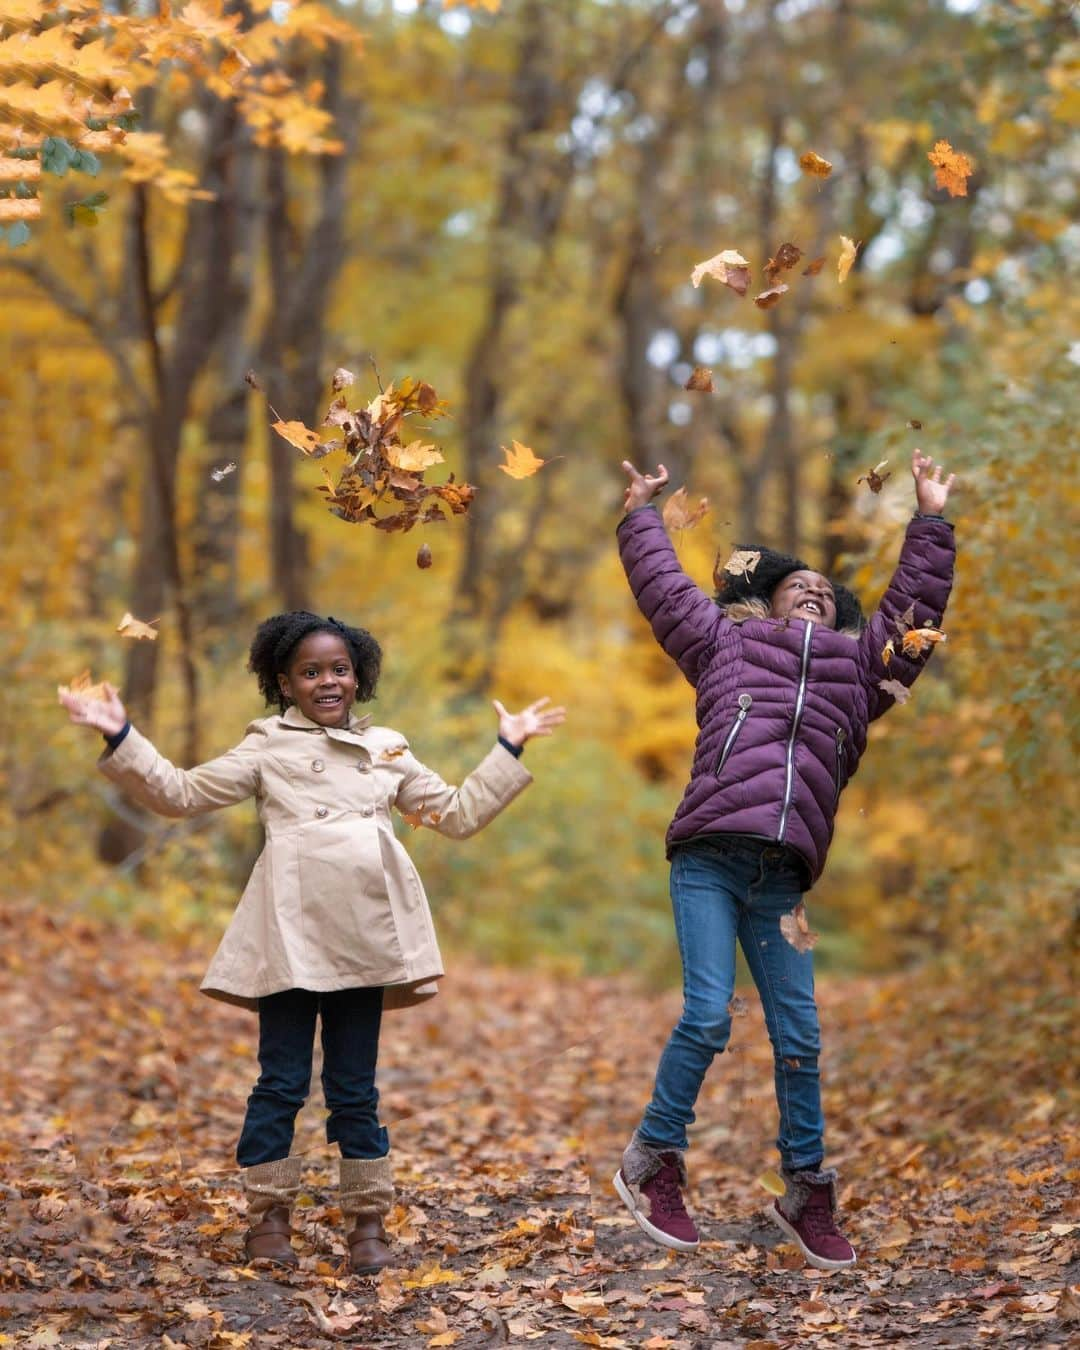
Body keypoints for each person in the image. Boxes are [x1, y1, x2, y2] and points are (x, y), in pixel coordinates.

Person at [60, 611, 565, 1274]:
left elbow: (456, 815)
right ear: (285, 683)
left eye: (338, 669)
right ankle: (268, 1221)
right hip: (290, 939)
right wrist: (122, 735)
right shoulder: (267, 746)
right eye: (310, 671)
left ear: (358, 677)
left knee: (356, 1088)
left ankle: (366, 1228)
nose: (327, 681)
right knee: (281, 1082)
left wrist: (509, 747)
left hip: (364, 939)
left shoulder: (388, 748)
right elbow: (181, 793)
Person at [612, 449, 955, 1270]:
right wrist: (639, 518)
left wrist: (932, 520)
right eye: (797, 585)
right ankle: (652, 1161)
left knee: (800, 1035)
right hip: (709, 859)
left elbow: (913, 612)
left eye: (828, 593)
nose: (814, 589)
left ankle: (806, 1189)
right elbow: (666, 592)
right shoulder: (725, 647)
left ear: (842, 620)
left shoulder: (861, 674)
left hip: (784, 882)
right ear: (765, 602)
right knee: (705, 1015)